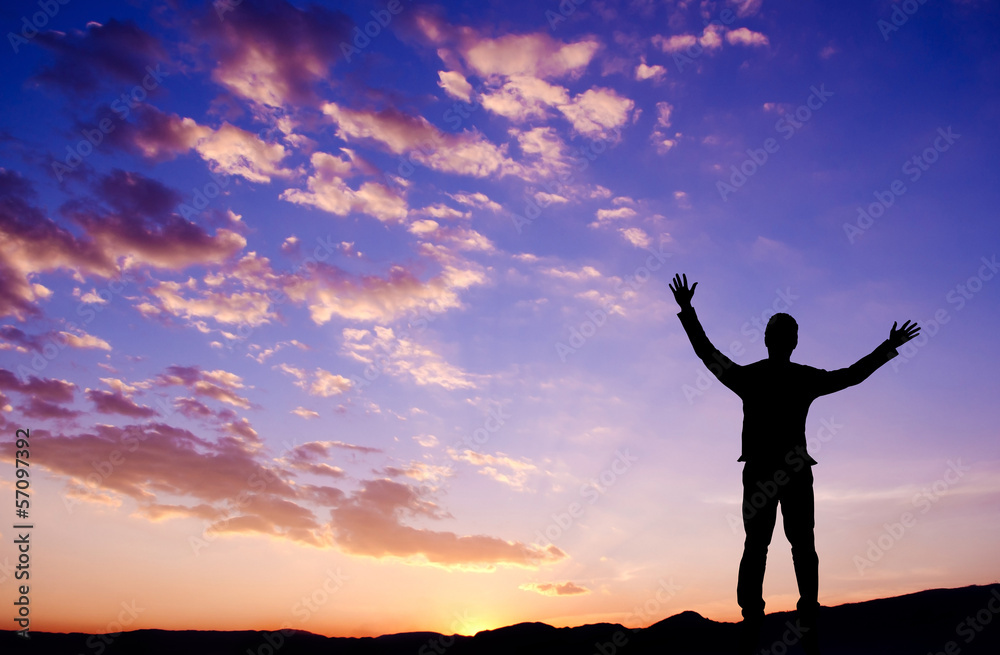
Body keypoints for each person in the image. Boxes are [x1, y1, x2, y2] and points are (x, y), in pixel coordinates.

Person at [668, 274, 920, 655]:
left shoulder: (750, 377)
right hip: (790, 472)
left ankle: (759, 619)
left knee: (763, 546)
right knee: (797, 545)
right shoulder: (797, 378)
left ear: (769, 340)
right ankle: (796, 619)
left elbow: (707, 353)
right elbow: (851, 376)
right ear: (791, 342)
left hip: (767, 472)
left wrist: (688, 311)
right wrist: (888, 346)